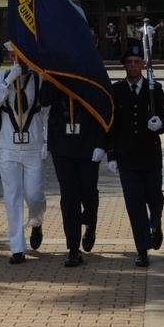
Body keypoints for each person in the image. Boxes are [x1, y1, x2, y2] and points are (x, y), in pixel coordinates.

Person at [106, 45, 164, 268]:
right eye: (128, 62)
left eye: (136, 62)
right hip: (127, 157)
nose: (132, 66)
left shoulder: (155, 89)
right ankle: (142, 249)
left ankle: (156, 222)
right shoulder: (116, 90)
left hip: (150, 154)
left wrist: (160, 124)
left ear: (143, 64)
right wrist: (112, 155)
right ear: (123, 66)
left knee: (155, 198)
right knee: (134, 204)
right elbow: (111, 125)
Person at [0, 42, 48, 264]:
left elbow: (47, 112)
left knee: (34, 195)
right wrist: (9, 80)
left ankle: (36, 221)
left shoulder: (38, 78)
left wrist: (47, 141)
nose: (17, 61)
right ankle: (16, 246)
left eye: (20, 56)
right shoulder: (0, 78)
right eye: (13, 56)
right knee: (12, 196)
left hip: (33, 144)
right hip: (8, 146)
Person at [39, 80, 107, 268]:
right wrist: (56, 77)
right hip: (61, 141)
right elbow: (44, 99)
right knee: (68, 194)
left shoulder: (89, 69)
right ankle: (73, 249)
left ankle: (90, 222)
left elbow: (103, 107)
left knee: (88, 189)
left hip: (87, 140)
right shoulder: (53, 72)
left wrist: (102, 143)